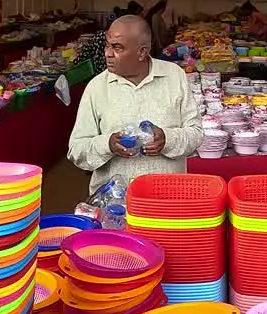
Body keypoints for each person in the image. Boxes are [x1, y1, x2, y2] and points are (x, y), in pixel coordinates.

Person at [67, 15, 202, 193]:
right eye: (107, 45)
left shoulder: (174, 76)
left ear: (142, 52)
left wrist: (167, 139)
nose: (107, 53)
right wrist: (107, 144)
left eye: (117, 48)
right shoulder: (97, 87)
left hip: (167, 198)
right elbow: (76, 150)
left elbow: (196, 133)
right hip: (114, 205)